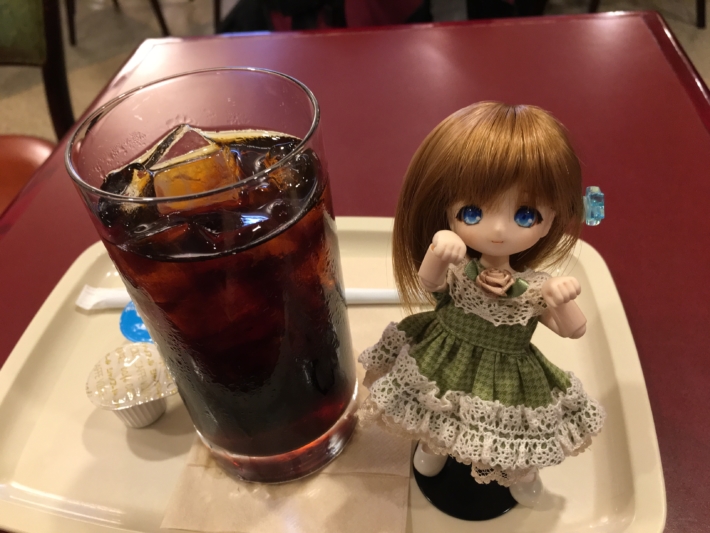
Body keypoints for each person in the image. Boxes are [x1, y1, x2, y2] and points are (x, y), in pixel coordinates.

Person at [358, 102, 605, 508]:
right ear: (447, 209)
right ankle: (433, 449)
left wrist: (563, 301)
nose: (498, 230)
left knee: (512, 432)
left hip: (508, 371)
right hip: (444, 354)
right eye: (472, 212)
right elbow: (429, 283)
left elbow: (573, 330)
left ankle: (522, 473)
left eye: (525, 215)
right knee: (437, 411)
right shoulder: (461, 268)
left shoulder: (534, 288)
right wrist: (438, 251)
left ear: (553, 217)